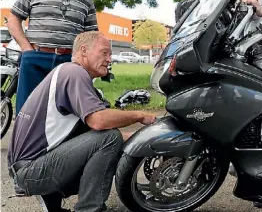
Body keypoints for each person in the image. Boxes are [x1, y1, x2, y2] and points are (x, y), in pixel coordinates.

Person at [7, 31, 157, 212]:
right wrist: (139, 115)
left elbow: (91, 136)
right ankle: (89, 209)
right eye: (104, 53)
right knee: (110, 138)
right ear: (84, 51)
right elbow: (99, 122)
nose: (110, 59)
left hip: (28, 168)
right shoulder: (73, 72)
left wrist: (144, 138)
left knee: (110, 140)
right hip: (32, 171)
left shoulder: (66, 73)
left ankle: (51, 196)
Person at [7, 0, 98, 115]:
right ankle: (23, 142)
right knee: (28, 111)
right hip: (35, 58)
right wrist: (27, 50)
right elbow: (13, 20)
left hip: (69, 62)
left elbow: (92, 36)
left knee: (64, 114)